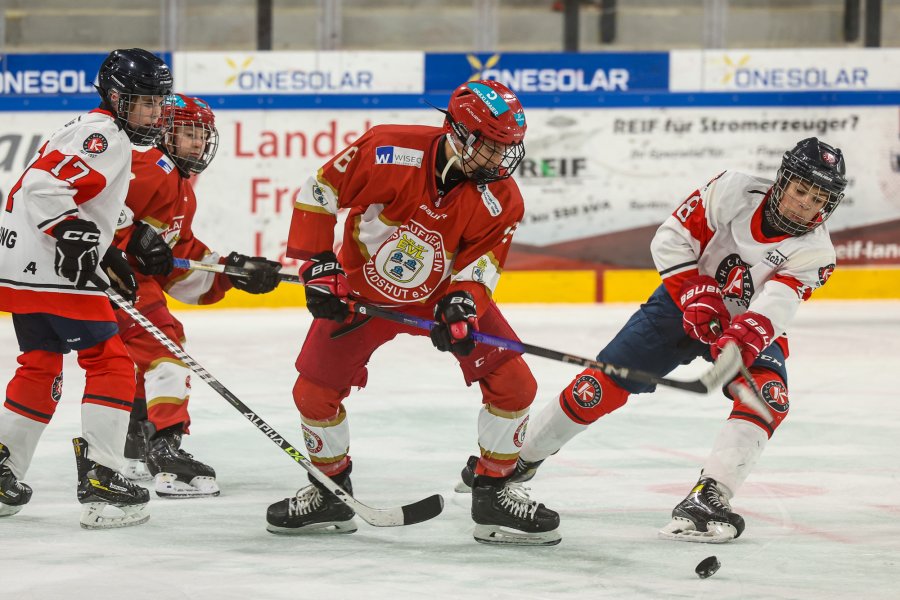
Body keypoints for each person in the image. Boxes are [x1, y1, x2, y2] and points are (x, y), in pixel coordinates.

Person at [466, 137, 847, 543]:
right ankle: (511, 465)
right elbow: (671, 238)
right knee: (595, 388)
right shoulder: (734, 190)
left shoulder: (816, 253)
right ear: (783, 181)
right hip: (680, 304)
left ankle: (709, 495)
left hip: (746, 323)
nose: (806, 203)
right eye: (801, 190)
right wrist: (693, 292)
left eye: (818, 197)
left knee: (768, 398)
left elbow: (775, 305)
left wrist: (741, 338)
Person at [267, 80, 560, 546]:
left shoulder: (503, 198)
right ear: (459, 133)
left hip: (438, 295)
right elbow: (319, 190)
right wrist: (320, 263)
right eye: (490, 146)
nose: (502, 160)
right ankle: (331, 493)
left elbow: (481, 264)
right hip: (361, 292)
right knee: (313, 392)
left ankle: (492, 492)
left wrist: (464, 303)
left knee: (515, 383)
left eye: (509, 148)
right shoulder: (389, 148)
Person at [0, 48, 173, 528]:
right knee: (112, 364)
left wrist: (119, 236)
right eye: (144, 102)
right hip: (54, 269)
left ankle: (2, 473)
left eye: (160, 103)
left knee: (38, 366)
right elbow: (43, 187)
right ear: (116, 99)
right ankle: (103, 478)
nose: (155, 113)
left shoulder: (93, 130)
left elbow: (87, 194)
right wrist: (75, 235)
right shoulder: (105, 135)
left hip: (21, 269)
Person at [112, 93, 282, 497]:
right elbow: (92, 210)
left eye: (203, 135)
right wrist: (126, 236)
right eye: (189, 133)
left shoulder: (180, 185)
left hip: (134, 284)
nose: (199, 143)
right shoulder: (148, 169)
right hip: (110, 281)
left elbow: (175, 258)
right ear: (164, 131)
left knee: (142, 359)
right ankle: (166, 450)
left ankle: (136, 442)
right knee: (166, 350)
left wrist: (231, 271)